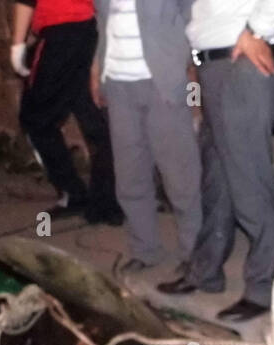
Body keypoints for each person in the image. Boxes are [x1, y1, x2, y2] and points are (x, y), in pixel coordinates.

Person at [155, 0, 274, 323]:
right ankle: (205, 271)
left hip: (241, 64)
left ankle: (263, 288)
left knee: (249, 182)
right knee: (216, 181)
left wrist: (258, 30)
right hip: (215, 64)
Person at [91, 0, 203, 280]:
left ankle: (195, 254)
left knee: (181, 175)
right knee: (130, 175)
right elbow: (103, 23)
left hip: (162, 82)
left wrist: (187, 65)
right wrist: (97, 68)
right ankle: (145, 249)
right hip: (118, 84)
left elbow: (194, 14)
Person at [10, 0, 123, 225]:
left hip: (60, 31)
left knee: (35, 118)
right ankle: (108, 199)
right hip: (86, 29)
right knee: (89, 113)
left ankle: (74, 193)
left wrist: (17, 46)